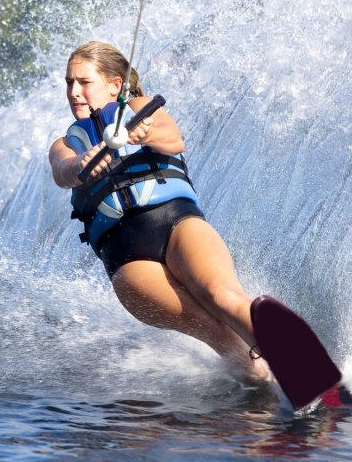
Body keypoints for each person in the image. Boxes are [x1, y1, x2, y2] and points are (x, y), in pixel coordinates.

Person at [48, 41, 269, 382]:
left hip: (175, 222)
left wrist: (144, 131)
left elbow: (173, 138)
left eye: (83, 82)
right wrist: (82, 163)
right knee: (217, 334)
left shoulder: (140, 108)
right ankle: (270, 393)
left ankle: (297, 364)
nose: (74, 91)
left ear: (114, 85)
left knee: (222, 295)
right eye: (68, 82)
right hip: (126, 258)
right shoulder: (64, 144)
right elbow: (63, 172)